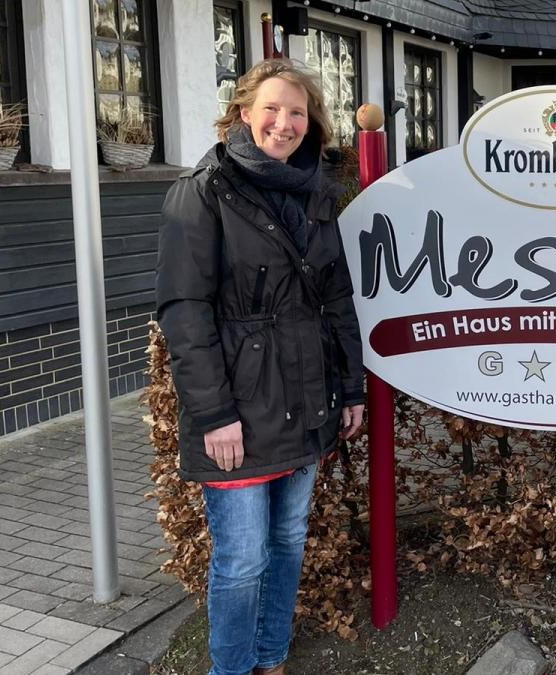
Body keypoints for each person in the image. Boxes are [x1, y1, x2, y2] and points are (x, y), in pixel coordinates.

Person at [156, 59, 366, 675]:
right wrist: (215, 414)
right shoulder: (202, 192)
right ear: (243, 113)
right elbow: (184, 310)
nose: (285, 122)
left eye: (297, 111)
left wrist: (349, 385)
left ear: (311, 122)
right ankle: (231, 667)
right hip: (238, 411)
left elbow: (336, 299)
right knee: (242, 560)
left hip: (306, 399)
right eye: (271, 108)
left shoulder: (317, 192)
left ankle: (270, 658)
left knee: (287, 542)